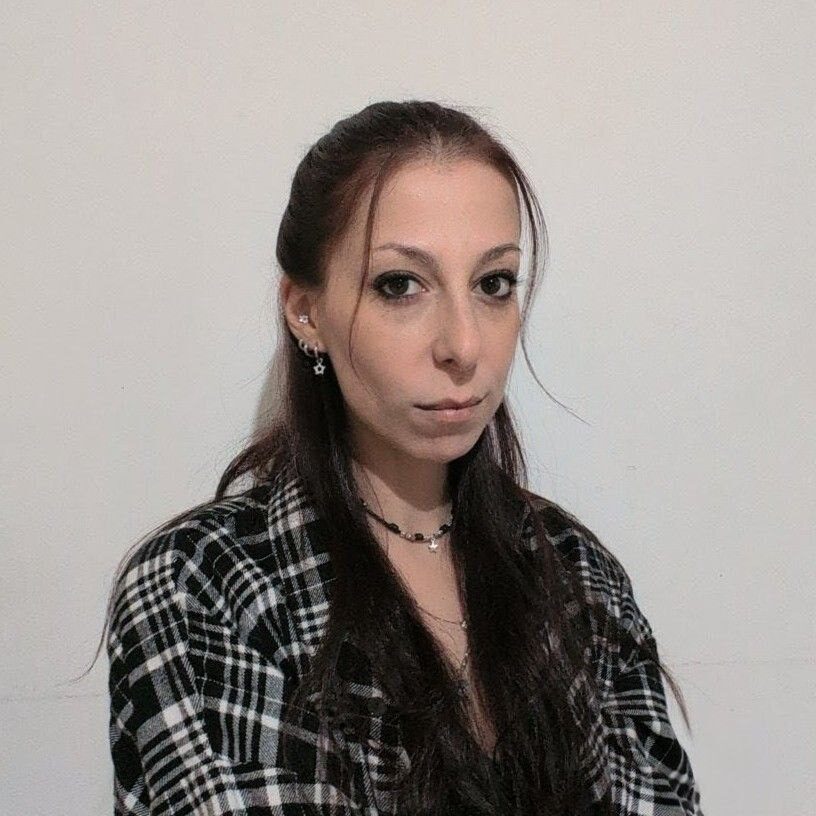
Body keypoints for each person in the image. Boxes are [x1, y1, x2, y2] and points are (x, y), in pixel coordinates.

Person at [101, 100, 704, 815]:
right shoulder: (205, 587)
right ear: (305, 310)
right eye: (400, 285)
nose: (463, 345)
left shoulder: (576, 573)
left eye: (493, 283)